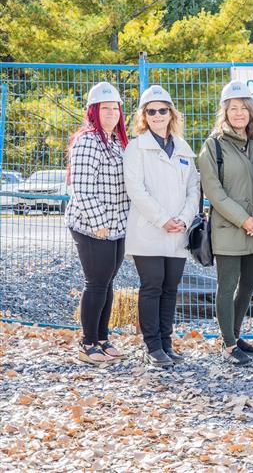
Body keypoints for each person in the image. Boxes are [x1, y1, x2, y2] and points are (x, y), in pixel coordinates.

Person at [123, 85, 200, 368]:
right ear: (144, 115)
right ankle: (152, 345)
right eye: (151, 111)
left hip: (177, 231)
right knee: (152, 286)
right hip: (149, 231)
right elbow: (136, 190)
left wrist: (184, 218)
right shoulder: (136, 147)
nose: (157, 115)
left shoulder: (182, 147)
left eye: (162, 110)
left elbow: (194, 187)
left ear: (171, 113)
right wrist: (163, 219)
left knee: (171, 288)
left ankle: (166, 342)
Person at [198, 80, 253, 366]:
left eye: (244, 108)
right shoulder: (213, 146)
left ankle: (236, 335)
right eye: (233, 108)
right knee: (227, 286)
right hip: (230, 228)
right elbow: (215, 193)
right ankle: (228, 345)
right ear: (225, 112)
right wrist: (244, 221)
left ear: (251, 113)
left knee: (249, 286)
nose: (239, 113)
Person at [66, 81, 130, 365]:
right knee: (96, 283)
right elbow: (81, 189)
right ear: (93, 111)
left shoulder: (117, 142)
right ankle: (88, 342)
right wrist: (98, 222)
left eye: (115, 108)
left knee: (108, 282)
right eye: (105, 109)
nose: (111, 114)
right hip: (93, 226)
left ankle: (103, 338)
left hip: (116, 226)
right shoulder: (87, 141)